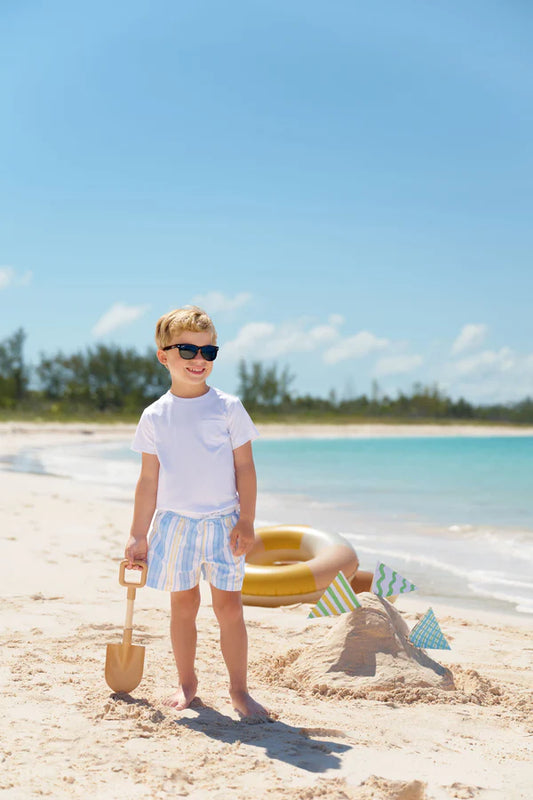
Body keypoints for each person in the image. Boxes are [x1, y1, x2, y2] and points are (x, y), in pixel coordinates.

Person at [125, 305, 267, 718]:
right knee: (183, 607)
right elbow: (148, 481)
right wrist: (138, 534)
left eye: (208, 351)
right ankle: (187, 683)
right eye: (187, 350)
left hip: (224, 523)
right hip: (175, 525)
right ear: (164, 356)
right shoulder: (155, 415)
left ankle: (239, 690)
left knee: (230, 609)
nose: (198, 359)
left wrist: (247, 520)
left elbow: (245, 468)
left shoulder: (228, 407)